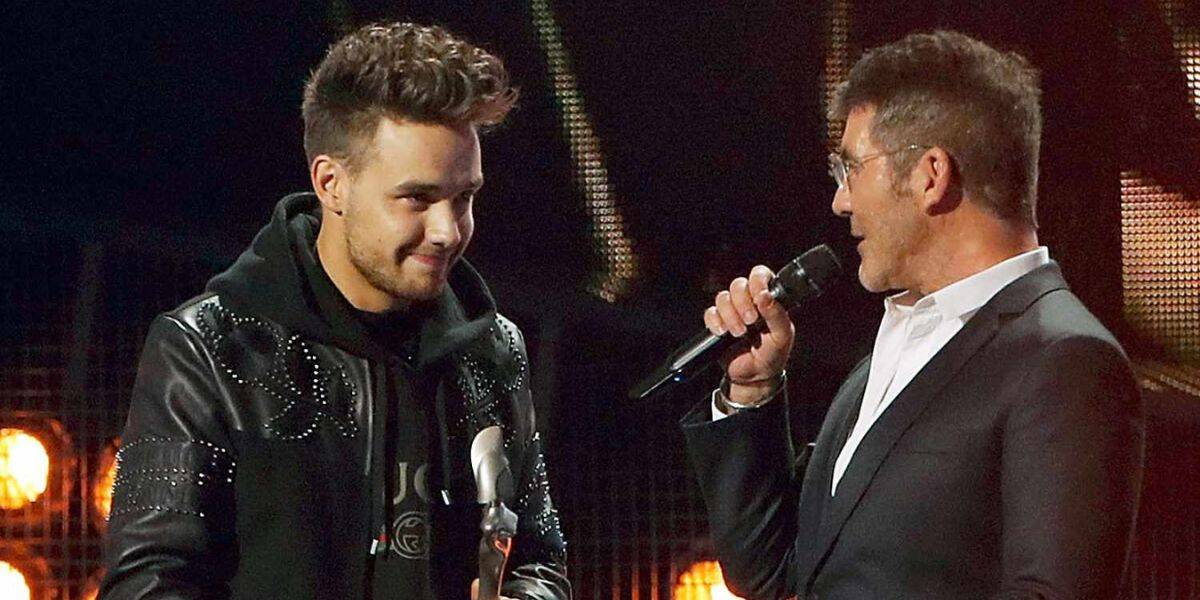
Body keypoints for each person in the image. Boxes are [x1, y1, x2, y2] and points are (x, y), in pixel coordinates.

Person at [101, 22, 569, 600]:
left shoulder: (493, 351)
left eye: (465, 197)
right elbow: (147, 585)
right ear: (331, 183)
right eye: (417, 198)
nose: (449, 231)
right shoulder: (207, 347)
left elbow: (540, 562)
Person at [681, 30, 1143, 599]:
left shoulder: (1065, 360)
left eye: (851, 168)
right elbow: (775, 574)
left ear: (930, 174)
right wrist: (752, 392)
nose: (840, 201)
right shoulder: (899, 342)